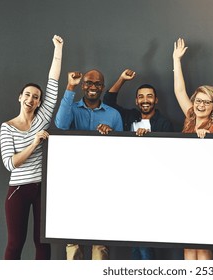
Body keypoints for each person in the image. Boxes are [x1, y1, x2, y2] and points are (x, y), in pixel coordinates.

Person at [0, 35, 64, 260]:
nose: (31, 99)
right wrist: (35, 142)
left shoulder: (41, 119)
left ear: (39, 102)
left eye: (36, 97)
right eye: (27, 95)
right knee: (15, 244)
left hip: (41, 190)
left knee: (42, 243)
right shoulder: (7, 127)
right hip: (18, 189)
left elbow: (53, 83)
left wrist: (58, 49)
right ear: (20, 97)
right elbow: (10, 163)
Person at [103, 69, 174, 259]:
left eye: (149, 97)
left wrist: (149, 140)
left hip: (152, 186)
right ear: (136, 101)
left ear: (156, 100)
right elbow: (108, 102)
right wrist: (122, 79)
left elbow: (169, 155)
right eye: (141, 97)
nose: (145, 100)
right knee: (135, 240)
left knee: (144, 241)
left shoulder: (164, 123)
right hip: (128, 184)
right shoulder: (128, 117)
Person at [55, 69, 123, 260]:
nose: (93, 87)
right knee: (73, 241)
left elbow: (122, 153)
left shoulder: (114, 115)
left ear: (103, 87)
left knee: (100, 243)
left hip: (103, 183)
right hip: (74, 181)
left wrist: (112, 135)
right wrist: (70, 86)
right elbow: (61, 125)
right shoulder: (72, 109)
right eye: (88, 83)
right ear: (83, 85)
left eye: (97, 84)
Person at [173, 38, 213, 260]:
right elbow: (179, 90)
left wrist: (207, 143)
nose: (200, 105)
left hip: (206, 191)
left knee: (202, 245)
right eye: (198, 100)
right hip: (186, 188)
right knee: (187, 245)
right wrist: (176, 60)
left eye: (206, 102)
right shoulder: (189, 119)